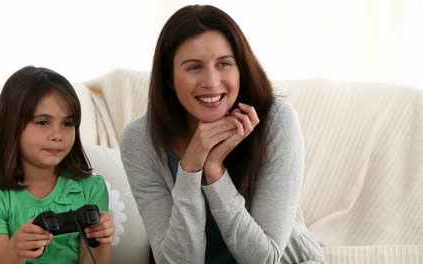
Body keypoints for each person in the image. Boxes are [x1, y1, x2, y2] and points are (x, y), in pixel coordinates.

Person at [120, 4, 325, 264]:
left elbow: (265, 258)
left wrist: (214, 171)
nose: (212, 81)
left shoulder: (277, 120)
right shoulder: (140, 139)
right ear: (169, 78)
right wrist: (191, 169)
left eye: (224, 63)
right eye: (194, 67)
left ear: (241, 69)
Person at [0, 66, 115, 264]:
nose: (57, 135)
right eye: (42, 122)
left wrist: (101, 239)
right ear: (11, 126)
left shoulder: (92, 189)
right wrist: (15, 250)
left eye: (67, 123)